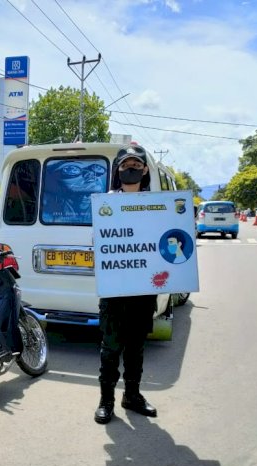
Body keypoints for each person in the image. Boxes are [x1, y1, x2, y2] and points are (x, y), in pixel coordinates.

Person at [95, 144, 158, 424]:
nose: (130, 169)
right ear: (117, 170)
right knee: (110, 348)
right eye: (124, 165)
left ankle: (131, 395)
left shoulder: (158, 205)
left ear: (144, 170)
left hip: (143, 290)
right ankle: (106, 400)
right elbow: (99, 242)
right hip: (114, 289)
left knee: (136, 347)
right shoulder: (106, 203)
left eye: (135, 165)